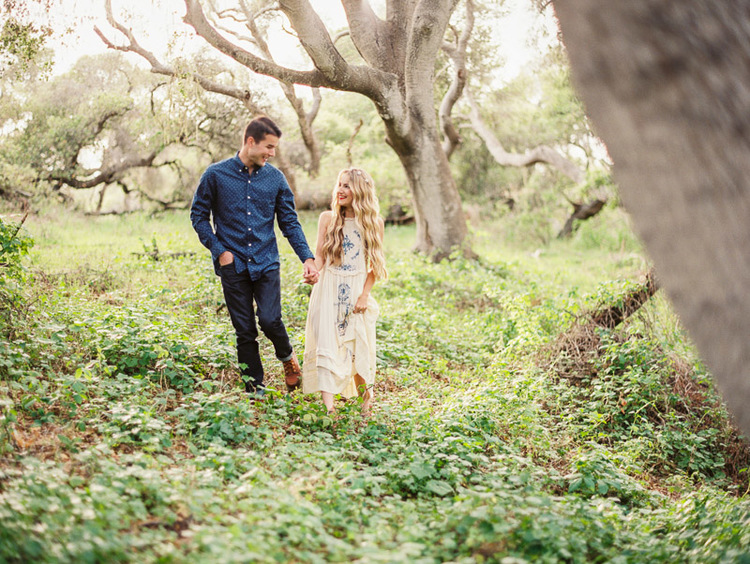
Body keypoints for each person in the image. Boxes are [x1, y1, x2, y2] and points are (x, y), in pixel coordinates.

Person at [190, 115, 319, 399]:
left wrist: (307, 258)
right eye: (269, 147)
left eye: (274, 148)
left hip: (266, 261)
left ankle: (287, 358)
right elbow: (198, 216)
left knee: (271, 320)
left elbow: (289, 221)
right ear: (250, 142)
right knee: (245, 330)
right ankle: (254, 390)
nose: (272, 153)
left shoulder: (275, 178)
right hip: (232, 265)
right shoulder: (215, 175)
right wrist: (220, 251)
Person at [302, 167, 386, 415]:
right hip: (327, 288)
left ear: (360, 190)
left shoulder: (373, 223)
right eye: (339, 184)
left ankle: (366, 406)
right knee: (326, 345)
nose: (340, 190)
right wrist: (313, 271)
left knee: (359, 347)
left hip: (355, 290)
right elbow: (319, 256)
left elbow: (376, 266)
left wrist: (364, 295)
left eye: (347, 185)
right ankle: (330, 410)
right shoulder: (327, 219)